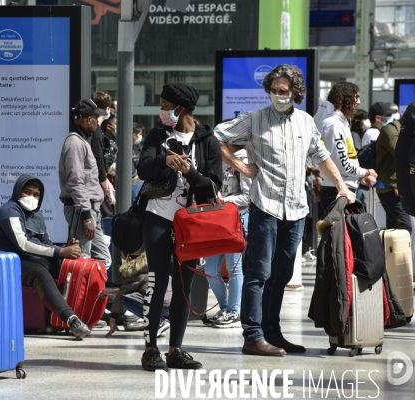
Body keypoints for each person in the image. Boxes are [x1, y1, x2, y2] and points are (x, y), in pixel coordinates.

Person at [214, 64, 356, 357]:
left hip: (296, 210)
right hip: (265, 206)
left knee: (281, 275)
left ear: (295, 92)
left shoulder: (306, 122)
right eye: (274, 90)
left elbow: (323, 156)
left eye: (284, 91)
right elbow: (218, 136)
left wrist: (341, 185)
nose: (278, 96)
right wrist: (241, 165)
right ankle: (252, 335)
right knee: (258, 273)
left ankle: (272, 332)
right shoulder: (254, 119)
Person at [138, 82, 222, 372]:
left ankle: (176, 348)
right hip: (158, 216)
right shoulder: (158, 134)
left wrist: (190, 171)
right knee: (158, 280)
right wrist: (165, 159)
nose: (161, 110)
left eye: (164, 105)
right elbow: (143, 167)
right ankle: (150, 348)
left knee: (184, 283)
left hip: (191, 224)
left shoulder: (207, 140)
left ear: (181, 107)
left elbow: (213, 187)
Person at [0, 174, 91, 339]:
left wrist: (65, 250)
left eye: (36, 195)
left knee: (70, 267)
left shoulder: (38, 216)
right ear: (17, 191)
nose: (31, 197)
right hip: (8, 263)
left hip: (31, 260)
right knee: (41, 273)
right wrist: (59, 252)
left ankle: (87, 314)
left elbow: (46, 243)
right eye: (27, 192)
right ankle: (71, 320)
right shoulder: (9, 211)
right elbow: (23, 244)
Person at [58, 99, 112, 269]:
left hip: (88, 209)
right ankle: (74, 296)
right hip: (81, 210)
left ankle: (88, 294)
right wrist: (86, 216)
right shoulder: (74, 143)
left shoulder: (81, 142)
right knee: (81, 259)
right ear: (88, 119)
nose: (98, 123)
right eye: (96, 118)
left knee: (103, 260)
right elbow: (76, 182)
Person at [203, 143, 251, 329]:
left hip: (235, 220)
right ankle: (225, 309)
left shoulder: (244, 161)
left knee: (233, 268)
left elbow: (248, 197)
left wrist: (223, 201)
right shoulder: (219, 161)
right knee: (210, 269)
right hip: (217, 220)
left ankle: (233, 311)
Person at [313, 82, 377, 212]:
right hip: (337, 191)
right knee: (338, 233)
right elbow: (341, 164)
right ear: (342, 99)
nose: (358, 102)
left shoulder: (340, 122)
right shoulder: (333, 124)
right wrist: (367, 172)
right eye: (356, 97)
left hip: (343, 189)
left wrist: (359, 176)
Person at [99, 251, 171, 338]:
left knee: (126, 300)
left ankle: (158, 322)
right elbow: (131, 287)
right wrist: (110, 291)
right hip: (170, 306)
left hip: (160, 305)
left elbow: (122, 294)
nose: (121, 258)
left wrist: (112, 320)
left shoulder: (134, 270)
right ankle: (156, 327)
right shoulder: (152, 264)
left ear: (129, 258)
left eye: (121, 255)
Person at [375, 101, 415, 233]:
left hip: (398, 184)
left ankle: (388, 253)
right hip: (389, 185)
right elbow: (400, 153)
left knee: (394, 226)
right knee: (403, 226)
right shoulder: (391, 130)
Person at [89, 92, 116, 209]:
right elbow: (98, 159)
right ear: (108, 109)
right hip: (93, 188)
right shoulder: (96, 131)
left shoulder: (94, 129)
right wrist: (106, 186)